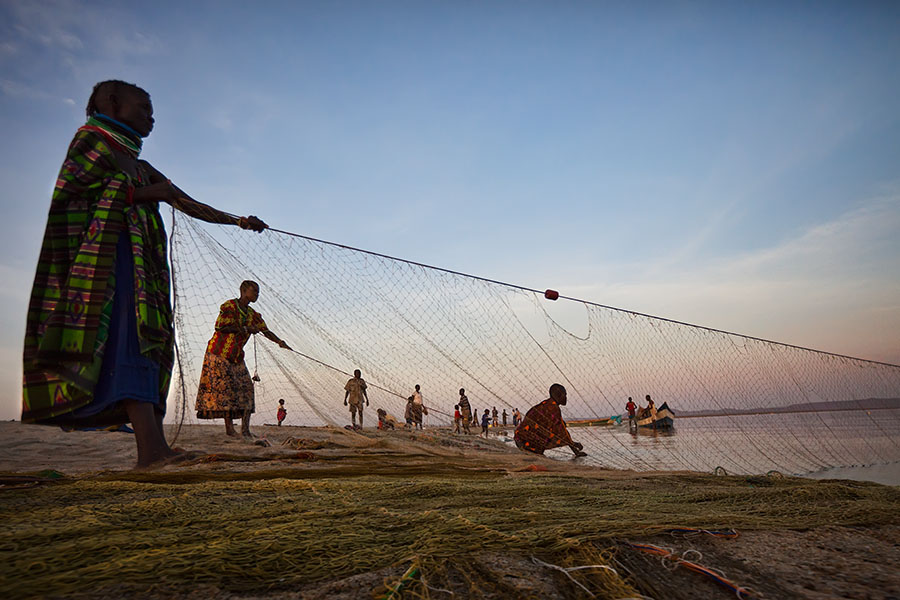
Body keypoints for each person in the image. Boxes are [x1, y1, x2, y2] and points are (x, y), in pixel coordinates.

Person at [21, 80, 267, 467]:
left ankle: (157, 448)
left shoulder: (138, 163)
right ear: (112, 102)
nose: (151, 117)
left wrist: (237, 220)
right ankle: (151, 451)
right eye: (143, 108)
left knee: (148, 345)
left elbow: (187, 202)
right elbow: (73, 196)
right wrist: (141, 195)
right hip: (106, 267)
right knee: (128, 342)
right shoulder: (92, 142)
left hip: (143, 269)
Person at [195, 281, 291, 438]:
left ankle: (245, 430)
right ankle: (230, 429)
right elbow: (220, 327)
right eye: (254, 291)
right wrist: (246, 329)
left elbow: (265, 331)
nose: (257, 295)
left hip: (236, 356)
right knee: (226, 392)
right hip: (218, 354)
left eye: (258, 292)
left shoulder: (253, 315)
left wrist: (279, 342)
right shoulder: (229, 306)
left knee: (247, 389)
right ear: (244, 291)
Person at [514, 384, 587, 457]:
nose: (566, 398)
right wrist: (574, 444)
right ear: (558, 396)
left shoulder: (548, 404)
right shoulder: (553, 408)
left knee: (560, 426)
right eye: (565, 395)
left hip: (520, 439)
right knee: (557, 430)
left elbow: (562, 430)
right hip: (525, 442)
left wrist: (574, 449)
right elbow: (562, 433)